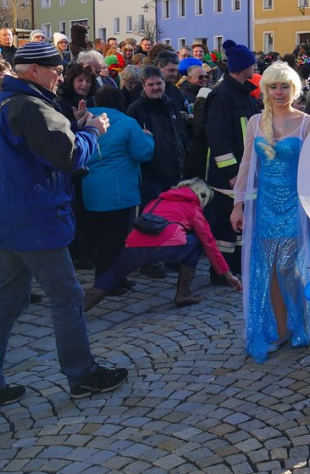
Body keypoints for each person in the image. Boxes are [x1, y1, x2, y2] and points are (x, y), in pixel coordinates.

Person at [0, 41, 126, 414]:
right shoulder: (31, 104)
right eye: (55, 70)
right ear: (33, 71)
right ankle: (82, 374)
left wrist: (75, 127)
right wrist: (93, 132)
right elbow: (68, 156)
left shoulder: (1, 101)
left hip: (7, 218)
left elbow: (38, 148)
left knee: (8, 301)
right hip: (35, 221)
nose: (60, 76)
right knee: (67, 297)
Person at [231, 63, 310, 361]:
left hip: (296, 206)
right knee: (267, 270)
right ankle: (281, 329)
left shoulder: (308, 123)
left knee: (289, 267)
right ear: (265, 90)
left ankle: (300, 322)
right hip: (265, 207)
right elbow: (245, 164)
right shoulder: (255, 122)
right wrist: (237, 204)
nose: (279, 92)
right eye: (273, 87)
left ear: (294, 89)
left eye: (284, 86)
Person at [85, 179, 241, 310]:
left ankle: (81, 308)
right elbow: (209, 242)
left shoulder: (155, 202)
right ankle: (183, 294)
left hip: (136, 245)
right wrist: (227, 274)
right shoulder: (194, 208)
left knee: (114, 272)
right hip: (169, 247)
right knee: (197, 242)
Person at [204, 39, 261, 284]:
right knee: (225, 228)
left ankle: (236, 267)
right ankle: (220, 273)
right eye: (252, 63)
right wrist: (232, 173)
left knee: (239, 226)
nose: (255, 66)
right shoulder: (222, 96)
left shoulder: (243, 93)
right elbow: (218, 139)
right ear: (242, 66)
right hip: (228, 176)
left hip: (243, 171)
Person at [83, 85, 154, 279]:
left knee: (101, 238)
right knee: (117, 240)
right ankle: (109, 282)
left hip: (91, 188)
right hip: (119, 191)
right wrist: (149, 138)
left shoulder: (86, 119)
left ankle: (112, 278)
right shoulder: (126, 123)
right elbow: (143, 153)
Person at [127, 66, 187, 205]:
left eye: (159, 83)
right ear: (143, 85)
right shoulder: (135, 109)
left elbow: (180, 134)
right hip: (151, 178)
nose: (155, 88)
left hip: (175, 173)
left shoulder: (171, 105)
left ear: (164, 83)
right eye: (151, 84)